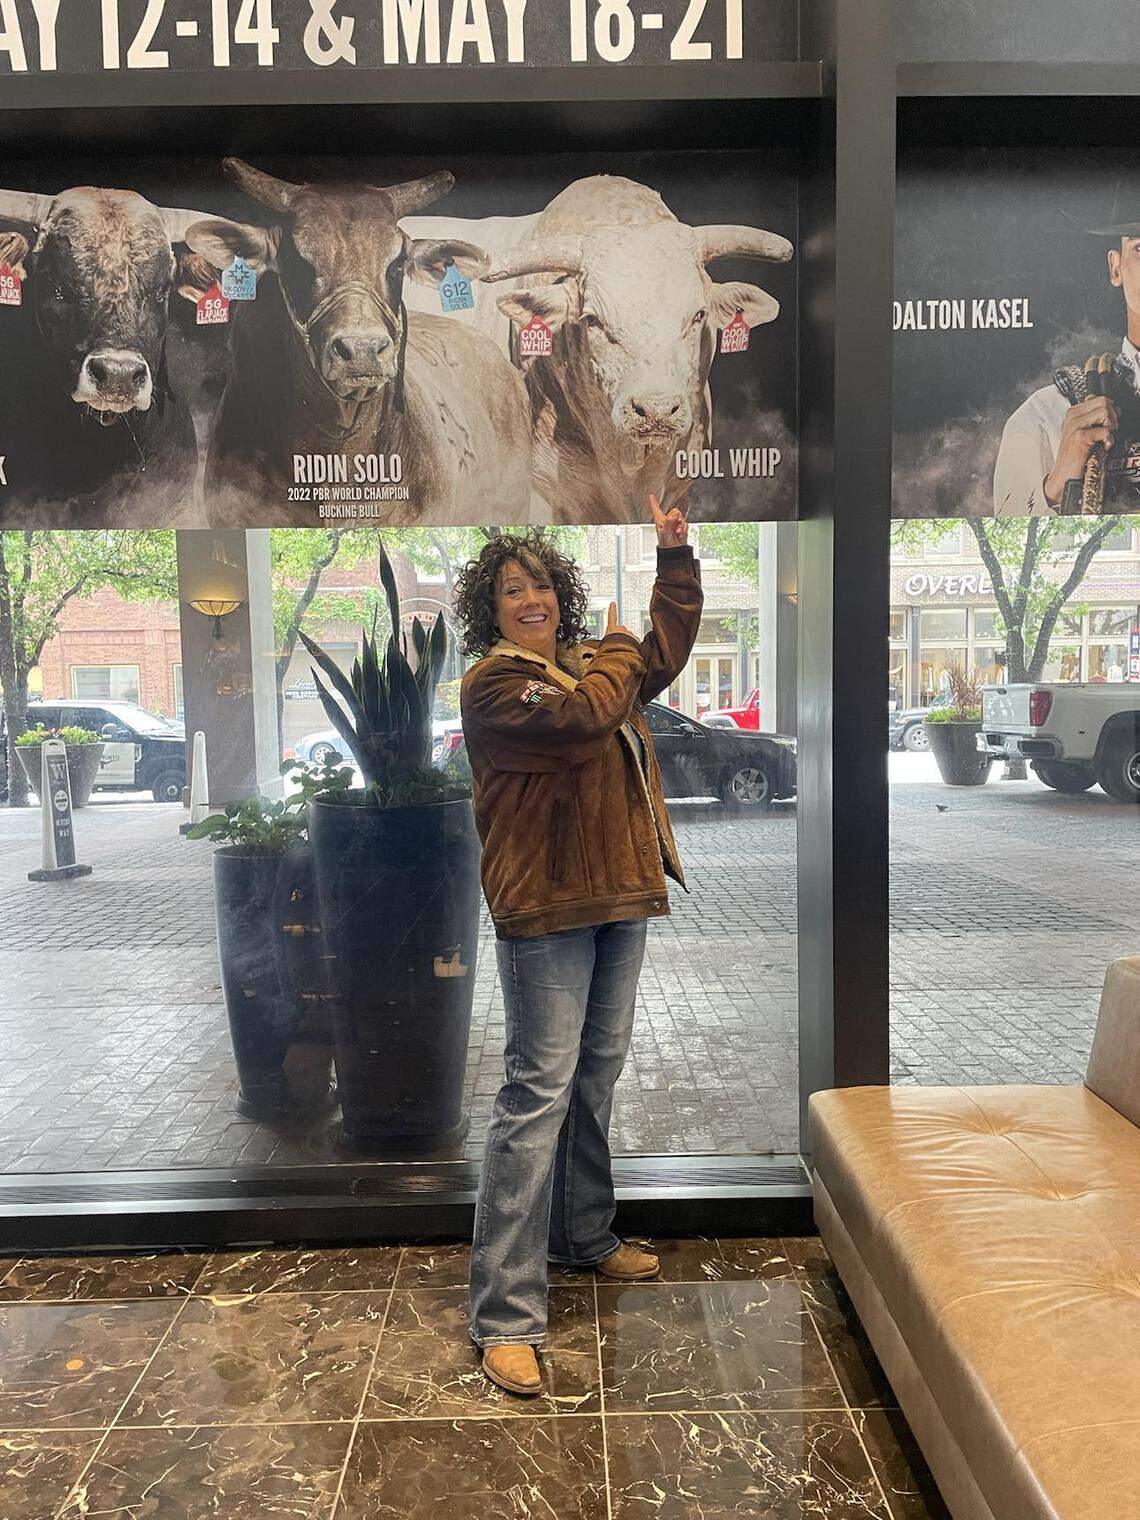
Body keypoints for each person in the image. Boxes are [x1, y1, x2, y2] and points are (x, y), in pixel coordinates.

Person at [453, 497, 702, 1397]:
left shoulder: (588, 667)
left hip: (619, 895)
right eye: (514, 590)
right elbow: (583, 722)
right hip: (548, 911)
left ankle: (584, 1236)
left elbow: (655, 658)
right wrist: (617, 652)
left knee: (594, 1076)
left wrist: (675, 558)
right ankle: (504, 1316)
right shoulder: (497, 684)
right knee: (536, 1095)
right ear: (494, 608)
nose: (533, 599)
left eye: (543, 585)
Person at [994, 209, 1140, 517]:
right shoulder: (1042, 420)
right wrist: (1056, 485)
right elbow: (1013, 536)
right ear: (1116, 267)